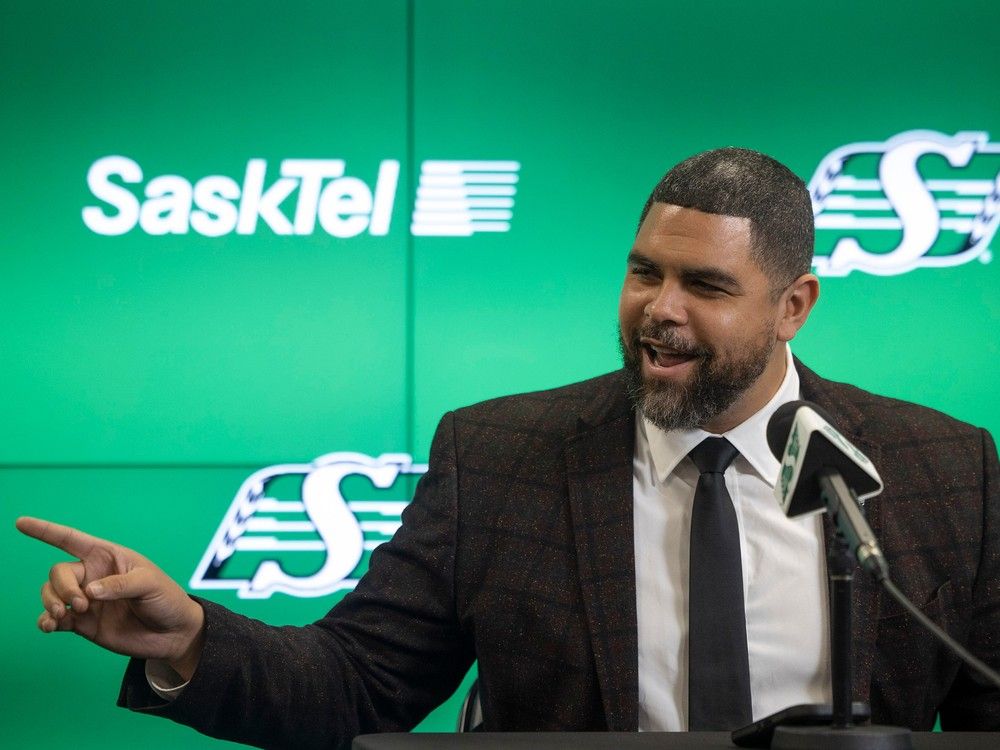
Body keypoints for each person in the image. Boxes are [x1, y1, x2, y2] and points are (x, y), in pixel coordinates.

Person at [18, 148, 1000, 748]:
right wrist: (189, 635)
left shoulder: (939, 469)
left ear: (793, 306)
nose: (657, 310)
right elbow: (360, 684)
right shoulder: (500, 455)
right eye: (641, 272)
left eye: (703, 286)